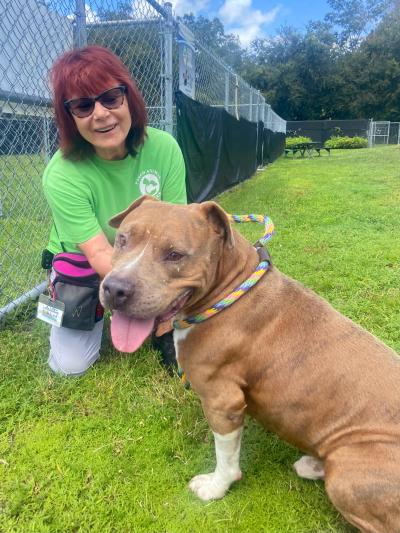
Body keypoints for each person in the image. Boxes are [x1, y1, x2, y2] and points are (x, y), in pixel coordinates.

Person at [42, 45, 187, 376]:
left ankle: (163, 328)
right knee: (70, 365)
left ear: (128, 97)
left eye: (110, 97)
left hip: (146, 255)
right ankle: (69, 298)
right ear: (69, 117)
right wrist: (144, 290)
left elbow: (177, 228)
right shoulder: (61, 174)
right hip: (84, 262)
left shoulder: (164, 147)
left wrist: (162, 308)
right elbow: (99, 254)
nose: (101, 114)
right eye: (82, 105)